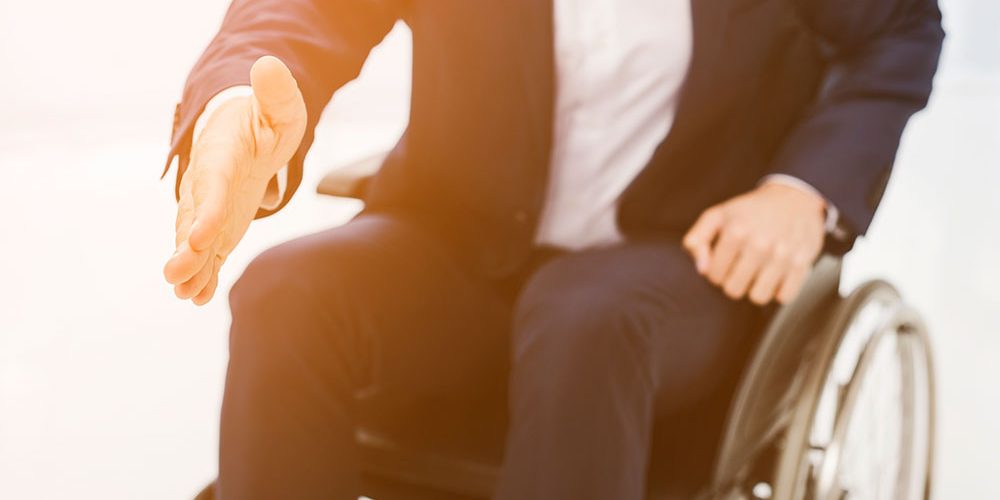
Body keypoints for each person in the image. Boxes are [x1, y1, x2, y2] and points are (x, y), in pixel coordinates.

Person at [161, 0, 943, 498]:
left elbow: (899, 26)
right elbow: (301, 10)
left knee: (583, 316)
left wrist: (801, 188)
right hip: (466, 244)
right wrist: (237, 100)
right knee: (285, 292)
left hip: (678, 261)